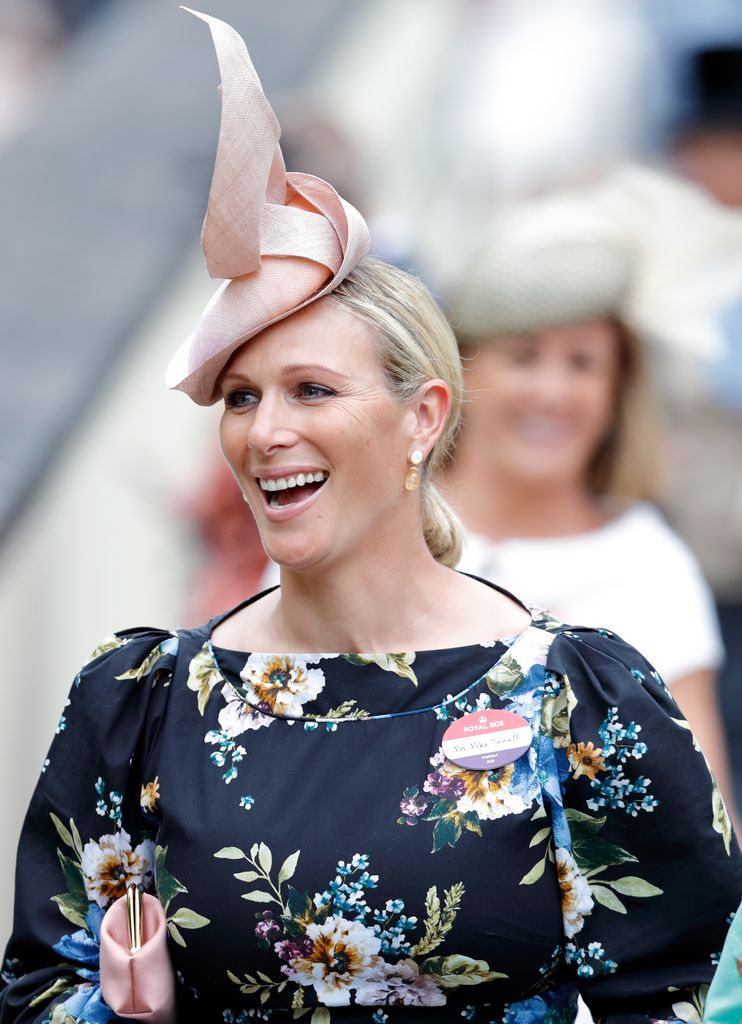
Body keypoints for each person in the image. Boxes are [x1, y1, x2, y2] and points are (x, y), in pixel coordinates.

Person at [1, 11, 740, 1024]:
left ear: (422, 417)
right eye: (242, 396)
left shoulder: (580, 701)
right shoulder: (134, 710)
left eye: (311, 389)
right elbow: (41, 987)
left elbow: (687, 993)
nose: (266, 432)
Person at [443, 195, 739, 829]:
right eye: (523, 357)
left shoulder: (647, 567)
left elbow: (706, 824)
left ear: (616, 394)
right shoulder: (375, 528)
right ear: (462, 369)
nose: (552, 391)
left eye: (583, 362)